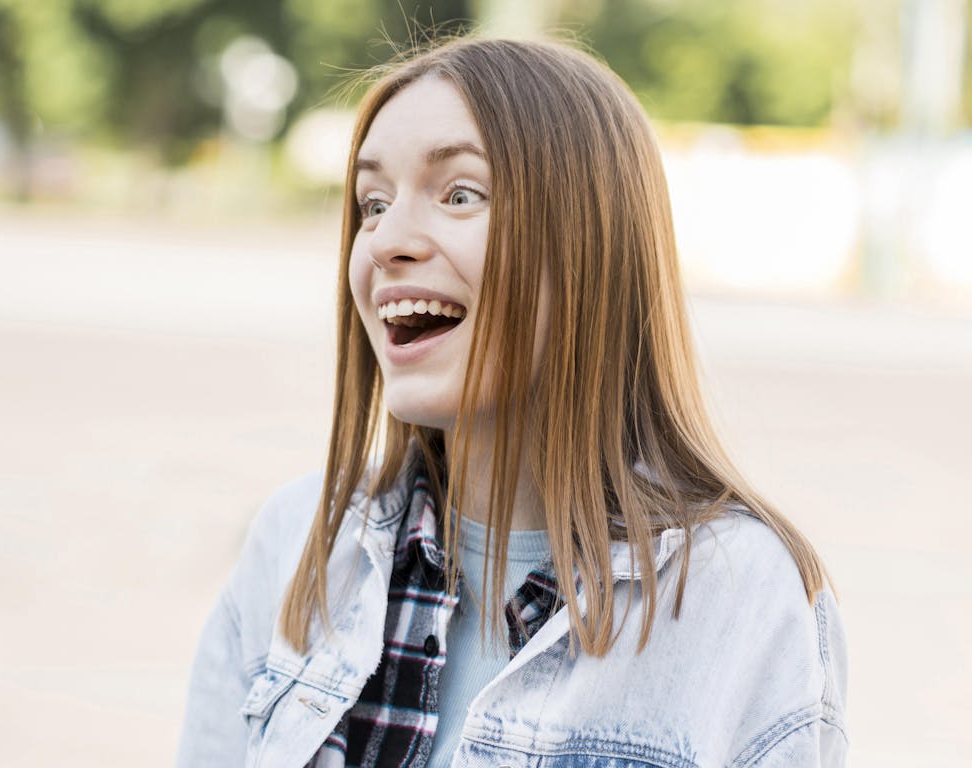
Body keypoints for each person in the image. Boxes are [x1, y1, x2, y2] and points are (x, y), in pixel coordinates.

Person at [178, 36, 846, 768]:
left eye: (460, 193)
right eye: (373, 203)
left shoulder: (742, 595)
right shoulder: (296, 539)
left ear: (591, 242)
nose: (386, 241)